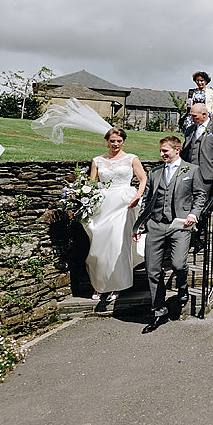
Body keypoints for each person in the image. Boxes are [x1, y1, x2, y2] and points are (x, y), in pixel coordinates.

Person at [133, 136, 207, 334]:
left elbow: (200, 195)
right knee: (152, 270)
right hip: (156, 225)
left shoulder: (192, 170)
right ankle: (159, 311)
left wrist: (193, 214)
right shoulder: (154, 173)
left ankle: (182, 287)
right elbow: (147, 201)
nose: (161, 154)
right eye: (160, 151)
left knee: (178, 264)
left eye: (165, 151)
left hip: (180, 225)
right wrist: (140, 225)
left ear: (177, 150)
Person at [85, 127, 146, 301]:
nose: (115, 144)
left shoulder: (131, 158)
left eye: (119, 141)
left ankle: (117, 285)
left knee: (117, 243)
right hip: (103, 204)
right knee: (99, 245)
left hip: (124, 204)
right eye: (112, 141)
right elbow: (92, 183)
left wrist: (137, 196)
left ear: (123, 141)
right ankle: (100, 284)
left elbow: (143, 179)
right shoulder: (97, 160)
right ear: (107, 141)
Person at [181, 103, 213, 191]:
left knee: (203, 201)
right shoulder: (190, 129)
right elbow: (185, 150)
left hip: (207, 173)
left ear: (204, 114)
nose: (192, 119)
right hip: (189, 172)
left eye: (194, 116)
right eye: (191, 116)